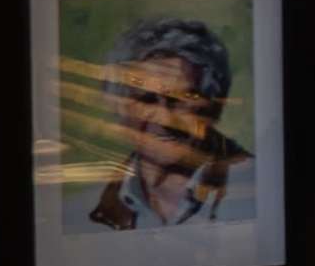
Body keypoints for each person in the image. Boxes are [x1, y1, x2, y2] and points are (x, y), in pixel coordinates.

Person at [88, 15, 251, 229]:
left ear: (212, 106)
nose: (165, 119)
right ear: (121, 109)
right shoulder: (83, 211)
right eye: (147, 99)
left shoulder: (254, 187)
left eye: (182, 100)